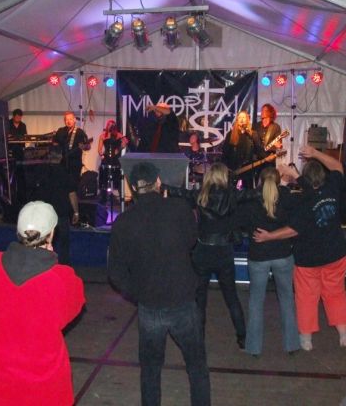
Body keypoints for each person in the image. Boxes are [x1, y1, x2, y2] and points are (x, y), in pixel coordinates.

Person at [108, 162, 210, 406]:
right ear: (158, 182)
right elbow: (192, 241)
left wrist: (138, 293)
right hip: (183, 301)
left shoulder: (124, 221)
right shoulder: (179, 209)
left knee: (150, 371)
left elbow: (115, 274)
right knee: (197, 366)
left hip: (150, 306)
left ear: (133, 188)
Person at [0, 201, 85, 406]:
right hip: (46, 390)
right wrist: (50, 259)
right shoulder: (60, 278)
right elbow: (75, 303)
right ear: (51, 234)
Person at [253, 146, 346, 351]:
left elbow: (292, 230)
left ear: (304, 178)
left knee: (306, 298)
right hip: (335, 253)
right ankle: (345, 335)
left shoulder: (302, 201)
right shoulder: (332, 189)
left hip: (308, 259)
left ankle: (306, 339)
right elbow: (337, 166)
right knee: (336, 294)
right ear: (323, 176)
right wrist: (315, 153)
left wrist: (269, 236)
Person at [167, 162, 248, 349]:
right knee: (231, 297)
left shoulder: (201, 195)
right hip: (223, 250)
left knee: (199, 299)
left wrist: (160, 185)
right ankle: (242, 337)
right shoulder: (232, 196)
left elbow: (180, 193)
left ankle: (199, 339)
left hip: (203, 251)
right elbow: (253, 195)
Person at [236, 167, 301, 356]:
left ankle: (254, 347)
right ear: (279, 180)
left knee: (256, 301)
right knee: (287, 299)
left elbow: (240, 222)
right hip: (282, 254)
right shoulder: (287, 197)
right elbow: (296, 223)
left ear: (259, 181)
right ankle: (292, 344)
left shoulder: (251, 200)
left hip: (258, 255)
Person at [53, 111, 91, 225]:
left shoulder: (79, 132)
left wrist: (84, 146)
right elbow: (54, 143)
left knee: (71, 187)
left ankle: (75, 213)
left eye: (70, 119)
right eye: (66, 119)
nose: (68, 121)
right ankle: (63, 212)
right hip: (62, 163)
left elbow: (88, 146)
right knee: (61, 188)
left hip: (74, 164)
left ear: (74, 120)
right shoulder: (61, 131)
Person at [222, 110, 258, 189]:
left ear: (247, 120)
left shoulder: (252, 134)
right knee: (231, 190)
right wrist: (227, 168)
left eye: (244, 117)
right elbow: (225, 152)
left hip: (247, 169)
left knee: (248, 190)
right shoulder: (231, 134)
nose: (242, 119)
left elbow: (258, 149)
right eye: (240, 117)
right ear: (237, 120)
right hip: (233, 168)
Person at [97, 119, 127, 204]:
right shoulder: (103, 135)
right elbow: (99, 149)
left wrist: (119, 149)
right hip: (106, 158)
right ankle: (103, 197)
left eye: (112, 125)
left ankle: (121, 198)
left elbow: (125, 143)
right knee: (104, 177)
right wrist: (101, 154)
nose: (111, 127)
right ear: (107, 126)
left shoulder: (119, 135)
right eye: (109, 125)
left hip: (115, 159)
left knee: (117, 176)